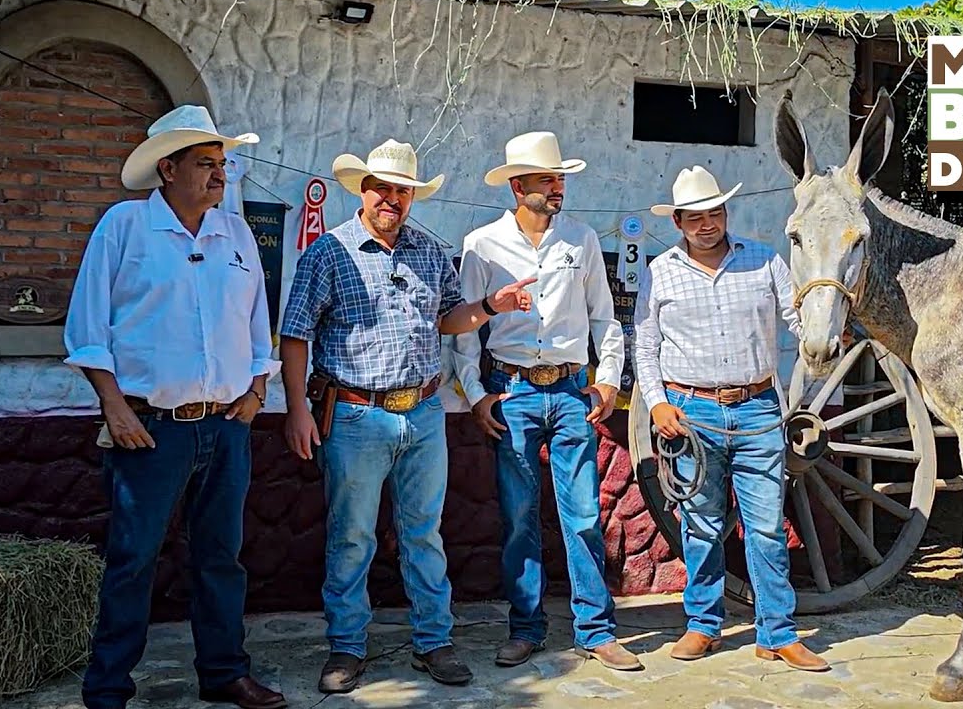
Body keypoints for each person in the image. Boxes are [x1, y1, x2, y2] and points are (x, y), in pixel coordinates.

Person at [278, 139, 534, 692]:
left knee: (424, 534)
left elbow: (448, 319)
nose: (393, 199)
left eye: (403, 191)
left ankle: (433, 641)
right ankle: (346, 648)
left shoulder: (426, 250)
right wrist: (297, 406)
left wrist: (492, 305)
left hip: (422, 412)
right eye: (383, 189)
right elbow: (295, 333)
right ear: (363, 192)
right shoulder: (329, 252)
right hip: (353, 414)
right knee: (352, 538)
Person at [65, 105, 286, 709]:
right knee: (133, 560)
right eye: (205, 164)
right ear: (167, 169)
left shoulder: (236, 233)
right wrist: (114, 407)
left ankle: (223, 673)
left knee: (221, 558)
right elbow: (87, 330)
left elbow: (256, 326)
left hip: (226, 427)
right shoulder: (124, 226)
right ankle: (108, 687)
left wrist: (256, 391)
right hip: (150, 429)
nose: (220, 176)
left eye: (223, 164)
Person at [451, 131, 640, 671]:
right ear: (517, 187)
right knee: (517, 519)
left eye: (559, 179)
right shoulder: (481, 245)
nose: (556, 188)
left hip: (569, 390)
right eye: (545, 180)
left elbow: (604, 316)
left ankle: (596, 631)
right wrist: (476, 395)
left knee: (583, 515)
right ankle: (526, 628)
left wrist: (607, 382)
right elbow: (466, 329)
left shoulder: (579, 241)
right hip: (511, 394)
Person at [632, 166, 829, 672]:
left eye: (714, 213)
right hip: (691, 412)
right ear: (677, 221)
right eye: (695, 217)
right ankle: (703, 625)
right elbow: (645, 344)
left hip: (758, 407)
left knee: (765, 527)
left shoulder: (765, 261)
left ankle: (777, 632)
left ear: (726, 213)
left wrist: (826, 333)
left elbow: (796, 320)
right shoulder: (660, 271)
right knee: (700, 525)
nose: (706, 224)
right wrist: (656, 402)